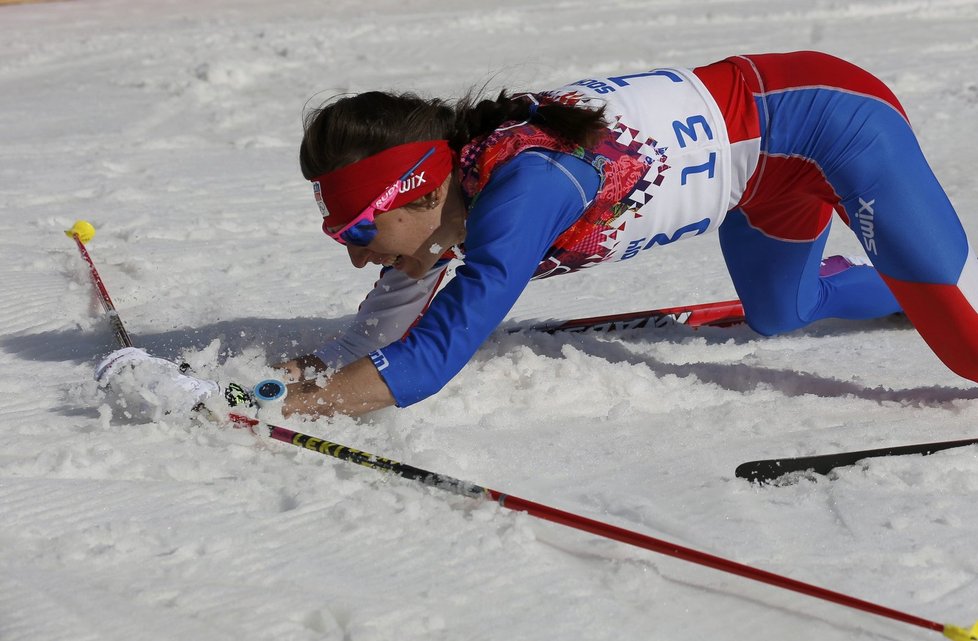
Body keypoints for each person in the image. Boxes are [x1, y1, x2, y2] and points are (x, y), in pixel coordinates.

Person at [96, 51, 978, 420]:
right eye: (340, 233)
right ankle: (898, 281)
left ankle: (933, 283)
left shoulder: (522, 194)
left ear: (421, 187)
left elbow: (436, 354)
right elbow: (381, 333)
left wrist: (266, 409)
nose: (357, 251)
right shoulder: (439, 214)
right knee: (785, 315)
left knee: (966, 348)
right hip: (765, 182)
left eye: (361, 227)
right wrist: (258, 381)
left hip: (831, 123)